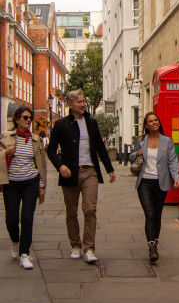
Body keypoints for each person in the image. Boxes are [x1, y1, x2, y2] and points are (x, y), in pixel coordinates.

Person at [47, 89, 116, 263]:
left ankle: (89, 248)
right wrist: (60, 165)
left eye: (83, 101)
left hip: (90, 171)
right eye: (79, 102)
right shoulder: (61, 125)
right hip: (70, 174)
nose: (83, 104)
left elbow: (100, 147)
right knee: (71, 212)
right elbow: (51, 149)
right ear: (70, 104)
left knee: (90, 210)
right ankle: (75, 246)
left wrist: (109, 169)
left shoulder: (91, 123)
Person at [0, 106, 47, 269]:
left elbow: (41, 165)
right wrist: (6, 153)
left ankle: (25, 253)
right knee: (11, 219)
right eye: (25, 117)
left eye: (30, 118)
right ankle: (15, 240)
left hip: (30, 182)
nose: (28, 121)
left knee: (27, 218)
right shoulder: (6, 137)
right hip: (11, 183)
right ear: (17, 119)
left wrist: (42, 185)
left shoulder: (36, 140)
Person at [129, 111, 179, 263]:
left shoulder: (167, 141)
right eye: (151, 121)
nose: (154, 123)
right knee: (150, 214)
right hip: (144, 182)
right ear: (146, 125)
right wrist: (137, 153)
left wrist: (176, 177)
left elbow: (172, 160)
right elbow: (131, 157)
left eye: (156, 120)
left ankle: (154, 242)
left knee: (157, 216)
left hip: (161, 182)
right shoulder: (141, 140)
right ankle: (152, 248)